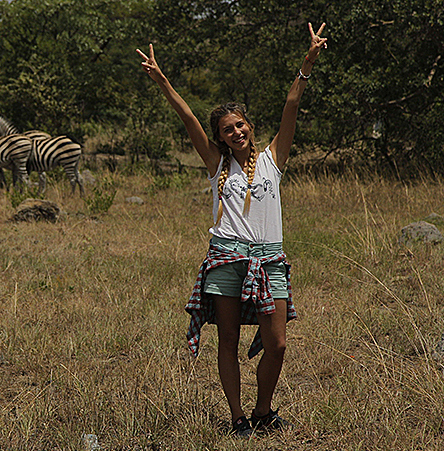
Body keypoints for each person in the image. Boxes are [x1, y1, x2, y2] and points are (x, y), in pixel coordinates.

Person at [137, 23, 327, 436]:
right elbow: (188, 118)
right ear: (221, 138)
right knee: (227, 340)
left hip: (269, 260)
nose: (236, 132)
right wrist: (164, 82)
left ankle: (263, 411)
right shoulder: (217, 164)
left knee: (276, 343)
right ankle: (238, 419)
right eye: (227, 129)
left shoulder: (274, 157)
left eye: (240, 125)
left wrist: (307, 64)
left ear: (249, 126)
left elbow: (291, 106)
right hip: (226, 257)